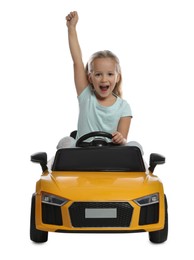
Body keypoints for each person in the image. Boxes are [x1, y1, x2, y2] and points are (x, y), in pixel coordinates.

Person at [57, 11, 133, 149]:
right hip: (82, 153)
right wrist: (71, 28)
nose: (104, 79)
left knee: (135, 146)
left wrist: (120, 138)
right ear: (90, 78)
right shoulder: (86, 96)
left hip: (109, 155)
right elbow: (77, 62)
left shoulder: (124, 107)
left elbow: (123, 138)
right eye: (98, 74)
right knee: (65, 142)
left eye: (110, 74)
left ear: (117, 77)